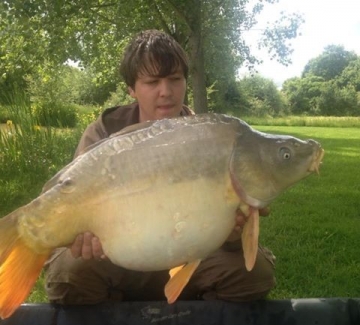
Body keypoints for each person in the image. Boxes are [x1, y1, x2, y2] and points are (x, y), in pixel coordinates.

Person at [45, 29, 275, 304]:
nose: (166, 92)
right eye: (152, 82)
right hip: (118, 255)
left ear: (186, 83)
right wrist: (81, 237)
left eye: (175, 79)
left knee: (255, 277)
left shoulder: (209, 138)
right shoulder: (105, 131)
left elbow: (228, 235)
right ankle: (121, 322)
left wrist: (233, 232)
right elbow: (73, 203)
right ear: (131, 88)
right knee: (67, 276)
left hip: (189, 251)